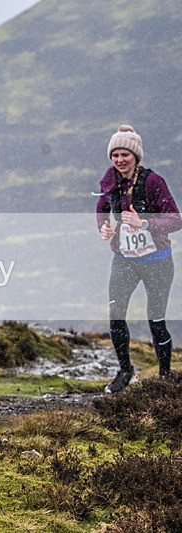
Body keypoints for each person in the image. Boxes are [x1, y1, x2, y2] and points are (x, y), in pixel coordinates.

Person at [96, 124, 182, 393]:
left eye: (125, 155)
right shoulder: (110, 180)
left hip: (157, 260)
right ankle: (125, 371)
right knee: (116, 315)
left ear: (136, 156)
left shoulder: (154, 182)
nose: (120, 161)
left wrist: (143, 222)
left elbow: (176, 220)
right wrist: (103, 226)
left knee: (156, 320)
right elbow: (101, 207)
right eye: (115, 156)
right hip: (125, 259)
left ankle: (165, 376)